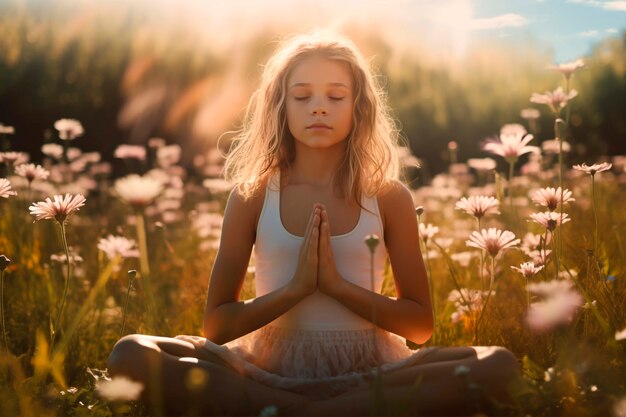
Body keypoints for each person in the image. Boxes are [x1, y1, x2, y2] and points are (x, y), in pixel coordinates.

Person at [107, 30, 519, 416]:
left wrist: (338, 287)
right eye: (302, 96)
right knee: (131, 352)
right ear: (280, 107)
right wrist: (296, 289)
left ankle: (291, 411)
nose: (318, 107)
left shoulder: (389, 197)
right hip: (267, 366)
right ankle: (322, 410)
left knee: (497, 364)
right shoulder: (252, 195)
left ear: (358, 108)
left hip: (369, 365)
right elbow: (216, 326)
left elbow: (420, 327)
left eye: (336, 96)